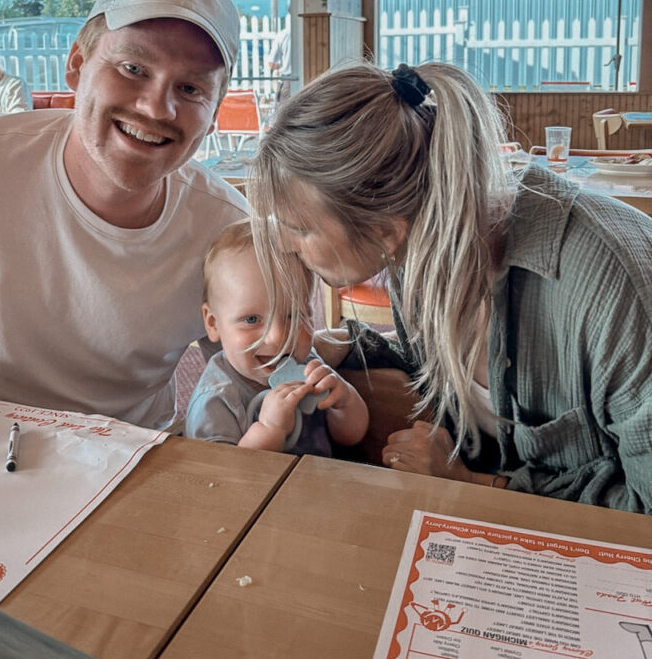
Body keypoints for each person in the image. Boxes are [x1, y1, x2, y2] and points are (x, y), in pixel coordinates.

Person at [248, 61, 652, 512]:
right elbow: (458, 370)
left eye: (297, 227)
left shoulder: (612, 290)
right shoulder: (421, 241)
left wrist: (471, 484)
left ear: (385, 231)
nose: (284, 243)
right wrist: (339, 342)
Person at [0, 0, 248, 428]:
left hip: (120, 463)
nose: (158, 106)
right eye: (133, 67)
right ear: (76, 65)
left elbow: (256, 371)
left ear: (214, 113)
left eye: (192, 87)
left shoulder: (226, 228)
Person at [185, 218, 368, 454]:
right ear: (213, 323)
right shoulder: (217, 401)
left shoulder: (308, 364)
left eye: (293, 315)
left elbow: (350, 437)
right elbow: (225, 482)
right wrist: (270, 429)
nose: (278, 337)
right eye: (252, 319)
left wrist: (344, 402)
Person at [267, 27, 291, 103]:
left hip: (287, 79)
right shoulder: (307, 30)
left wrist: (283, 65)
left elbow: (271, 64)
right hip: (309, 78)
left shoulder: (281, 35)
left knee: (283, 110)